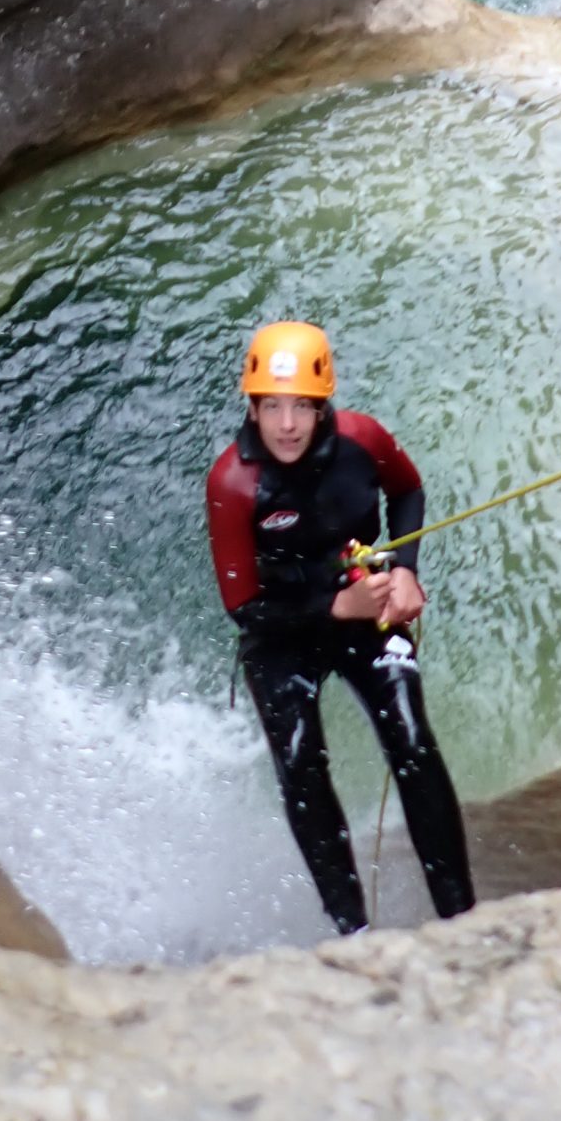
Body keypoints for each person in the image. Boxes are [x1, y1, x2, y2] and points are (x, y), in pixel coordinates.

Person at [204, 318, 475, 935]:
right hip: (282, 628)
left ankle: (462, 917)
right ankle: (354, 932)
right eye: (271, 407)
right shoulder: (233, 482)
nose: (288, 425)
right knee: (301, 767)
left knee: (411, 740)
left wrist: (404, 570)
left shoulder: (363, 439)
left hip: (364, 594)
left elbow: (408, 492)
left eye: (302, 406)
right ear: (251, 407)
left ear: (324, 405)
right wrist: (333, 611)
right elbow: (244, 607)